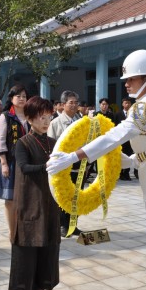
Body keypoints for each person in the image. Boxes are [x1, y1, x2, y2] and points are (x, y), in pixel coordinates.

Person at [47, 50, 146, 290]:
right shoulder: (145, 105)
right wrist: (110, 160)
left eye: (131, 78)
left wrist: (75, 155)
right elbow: (143, 154)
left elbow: (118, 134)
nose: (126, 83)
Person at [8, 96, 60, 290]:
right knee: (29, 247)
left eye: (49, 117)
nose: (46, 121)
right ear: (29, 118)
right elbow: (24, 167)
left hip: (49, 202)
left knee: (48, 247)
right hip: (30, 202)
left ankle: (41, 288)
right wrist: (46, 166)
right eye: (41, 117)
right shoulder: (23, 143)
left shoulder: (53, 142)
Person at [47, 90, 84, 237]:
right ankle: (62, 225)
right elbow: (50, 145)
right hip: (62, 167)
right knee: (63, 197)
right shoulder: (55, 123)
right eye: (71, 102)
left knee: (76, 196)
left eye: (76, 102)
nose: (74, 105)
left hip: (79, 166)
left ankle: (73, 225)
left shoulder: (81, 122)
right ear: (63, 105)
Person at [0, 85, 29, 241]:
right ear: (11, 98)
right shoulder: (6, 117)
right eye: (18, 96)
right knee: (10, 200)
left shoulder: (30, 116)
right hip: (11, 162)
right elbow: (0, 141)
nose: (22, 99)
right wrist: (3, 163)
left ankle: (22, 229)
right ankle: (12, 230)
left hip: (28, 163)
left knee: (26, 198)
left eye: (24, 96)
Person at [114, 97, 134, 181]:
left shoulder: (133, 114)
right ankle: (120, 173)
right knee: (120, 157)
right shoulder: (118, 114)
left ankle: (126, 173)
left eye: (129, 103)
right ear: (122, 104)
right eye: (125, 103)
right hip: (121, 139)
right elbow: (114, 125)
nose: (127, 104)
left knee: (129, 156)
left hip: (130, 140)